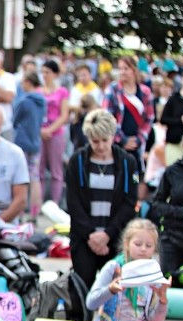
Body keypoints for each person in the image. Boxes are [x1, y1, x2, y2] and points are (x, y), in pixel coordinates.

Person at [86, 219, 183, 321]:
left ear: (154, 248)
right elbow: (90, 303)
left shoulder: (152, 272)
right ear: (127, 244)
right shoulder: (113, 268)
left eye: (149, 245)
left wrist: (162, 299)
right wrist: (110, 290)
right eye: (138, 244)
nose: (143, 249)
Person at [65, 109, 138, 289]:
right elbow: (73, 203)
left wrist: (107, 234)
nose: (100, 146)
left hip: (115, 237)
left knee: (115, 295)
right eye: (95, 141)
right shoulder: (77, 161)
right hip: (85, 237)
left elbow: (130, 203)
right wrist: (91, 235)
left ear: (113, 136)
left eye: (105, 140)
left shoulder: (128, 162)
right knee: (83, 290)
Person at [149, 126, 183, 276]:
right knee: (170, 286)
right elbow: (157, 204)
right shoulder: (172, 171)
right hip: (173, 237)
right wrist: (182, 212)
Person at [103, 56, 154, 190]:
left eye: (126, 68)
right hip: (117, 143)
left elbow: (149, 117)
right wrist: (122, 139)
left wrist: (139, 138)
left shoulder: (145, 92)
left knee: (134, 176)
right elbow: (107, 116)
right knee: (117, 176)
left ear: (133, 70)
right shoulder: (113, 90)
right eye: (120, 69)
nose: (123, 72)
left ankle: (133, 198)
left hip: (137, 145)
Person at [13, 72, 46, 221]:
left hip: (22, 142)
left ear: (28, 82)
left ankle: (19, 212)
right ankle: (34, 213)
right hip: (35, 141)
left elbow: (14, 120)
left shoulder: (24, 101)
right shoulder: (42, 101)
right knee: (35, 178)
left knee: (21, 178)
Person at [39, 60, 70, 205]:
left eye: (48, 72)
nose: (45, 75)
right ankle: (37, 203)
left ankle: (55, 203)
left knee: (56, 170)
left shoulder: (62, 92)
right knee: (38, 170)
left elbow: (64, 115)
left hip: (56, 133)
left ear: (55, 74)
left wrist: (50, 130)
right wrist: (40, 130)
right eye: (43, 72)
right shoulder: (39, 91)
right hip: (40, 133)